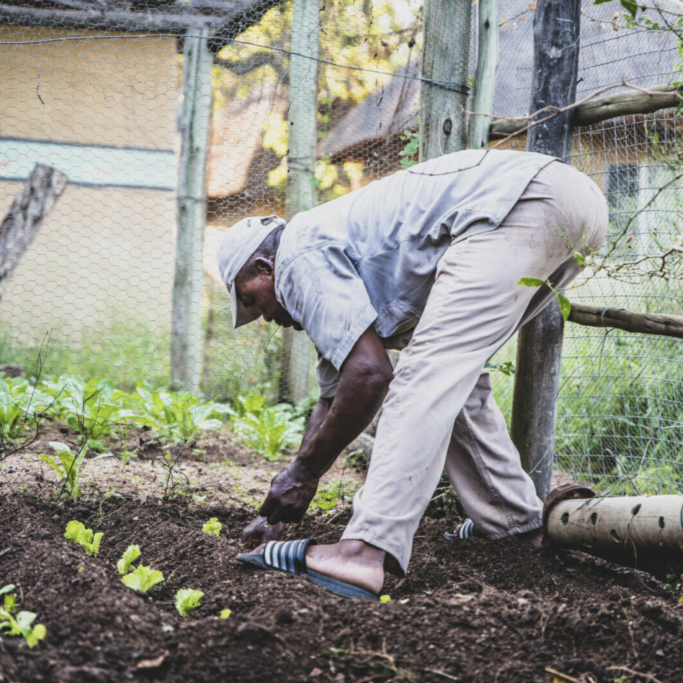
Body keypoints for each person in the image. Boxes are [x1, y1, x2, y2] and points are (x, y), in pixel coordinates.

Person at [219, 148, 608, 600]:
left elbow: (369, 376)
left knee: (423, 376)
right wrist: (291, 495)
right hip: (569, 202)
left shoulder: (296, 258)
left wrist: (304, 473)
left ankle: (363, 551)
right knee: (454, 383)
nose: (263, 315)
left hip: (521, 201)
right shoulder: (324, 264)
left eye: (251, 300)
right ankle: (517, 526)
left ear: (265, 268)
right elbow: (332, 399)